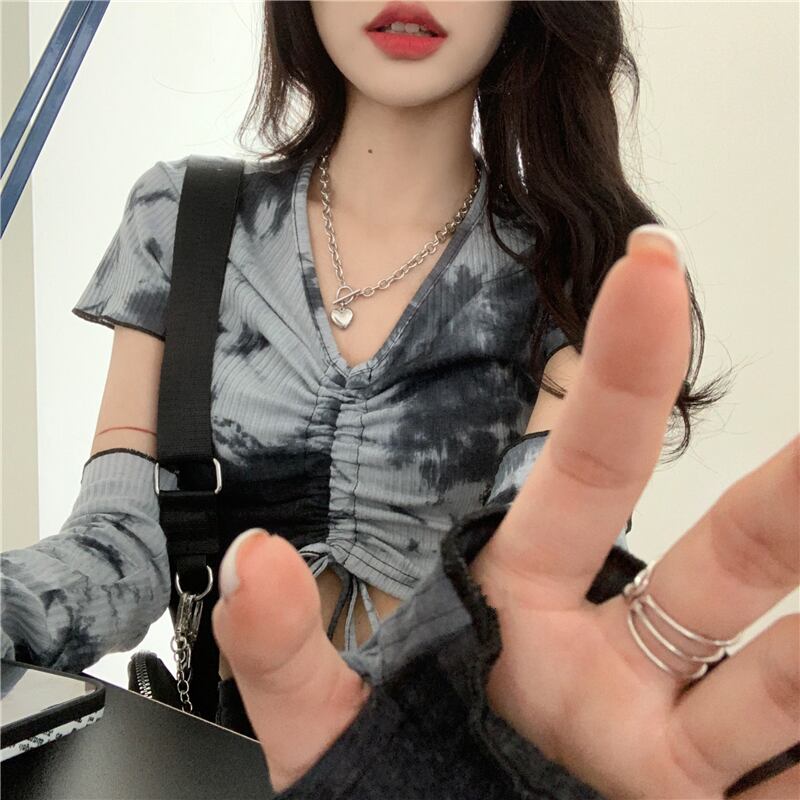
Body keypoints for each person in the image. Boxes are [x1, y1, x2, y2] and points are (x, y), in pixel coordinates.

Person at [1, 1, 796, 797]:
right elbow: (118, 544)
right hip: (218, 768)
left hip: (448, 766)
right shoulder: (184, 220)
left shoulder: (576, 270)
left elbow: (527, 590)